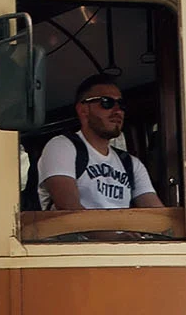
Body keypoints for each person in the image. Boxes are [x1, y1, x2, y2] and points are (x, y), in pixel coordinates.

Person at [37, 77, 163, 213]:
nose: (118, 110)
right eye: (107, 103)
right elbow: (68, 209)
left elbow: (156, 213)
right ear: (83, 110)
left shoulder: (131, 164)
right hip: (77, 234)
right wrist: (115, 234)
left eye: (121, 104)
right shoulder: (61, 147)